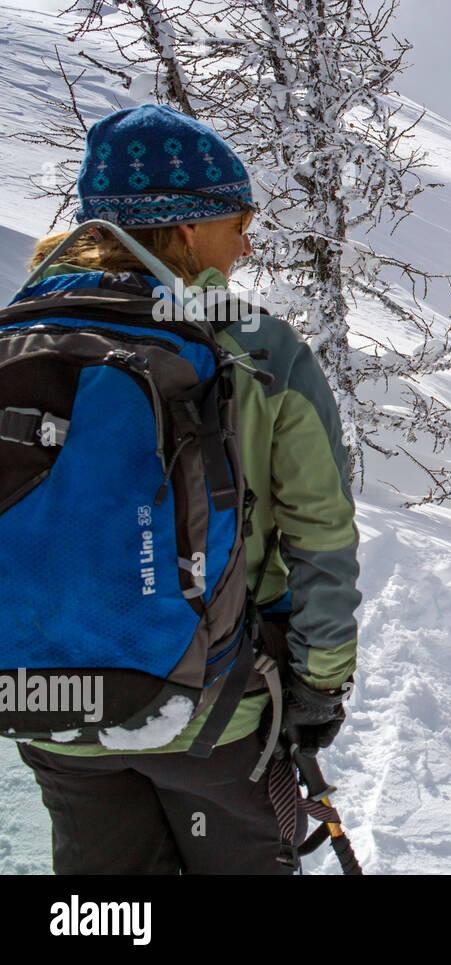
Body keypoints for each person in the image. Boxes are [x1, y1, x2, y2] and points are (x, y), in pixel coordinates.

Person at [13, 103, 362, 874]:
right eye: (235, 218)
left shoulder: (20, 337)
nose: (247, 239)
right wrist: (318, 688)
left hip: (49, 708)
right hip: (216, 706)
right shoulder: (256, 346)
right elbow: (322, 536)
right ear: (183, 227)